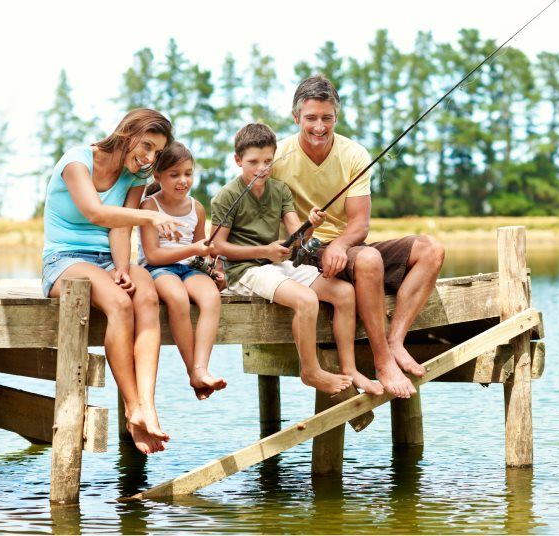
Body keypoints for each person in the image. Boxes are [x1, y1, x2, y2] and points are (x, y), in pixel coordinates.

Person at [273, 74, 445, 399]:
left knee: (431, 249)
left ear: (336, 116)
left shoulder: (354, 154)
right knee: (368, 258)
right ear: (296, 117)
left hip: (346, 247)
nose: (319, 127)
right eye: (310, 118)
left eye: (327, 118)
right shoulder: (279, 157)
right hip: (302, 249)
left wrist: (339, 244)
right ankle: (383, 363)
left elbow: (359, 224)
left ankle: (395, 340)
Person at [41, 108, 183, 454]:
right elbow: (95, 212)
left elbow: (121, 226)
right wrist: (150, 216)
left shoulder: (134, 177)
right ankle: (132, 408)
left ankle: (147, 405)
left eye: (156, 152)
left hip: (107, 259)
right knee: (120, 303)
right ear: (127, 132)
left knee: (145, 294)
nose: (149, 158)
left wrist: (122, 267)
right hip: (64, 260)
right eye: (146, 146)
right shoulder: (76, 161)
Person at [211, 123, 383, 396]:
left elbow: (297, 236)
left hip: (273, 265)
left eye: (268, 161)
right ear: (237, 160)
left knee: (344, 293)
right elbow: (217, 246)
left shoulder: (279, 191)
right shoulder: (227, 196)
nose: (261, 168)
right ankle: (310, 371)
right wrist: (264, 251)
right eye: (253, 162)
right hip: (243, 271)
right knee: (306, 299)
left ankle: (349, 368)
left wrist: (311, 223)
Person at [138, 141, 227, 401]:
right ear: (158, 176)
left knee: (210, 297)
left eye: (188, 173)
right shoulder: (149, 207)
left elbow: (201, 251)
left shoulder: (196, 208)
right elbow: (153, 254)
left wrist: (211, 267)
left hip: (188, 269)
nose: (182, 181)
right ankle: (193, 371)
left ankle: (201, 367)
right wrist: (194, 251)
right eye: (174, 175)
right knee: (177, 298)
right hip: (157, 269)